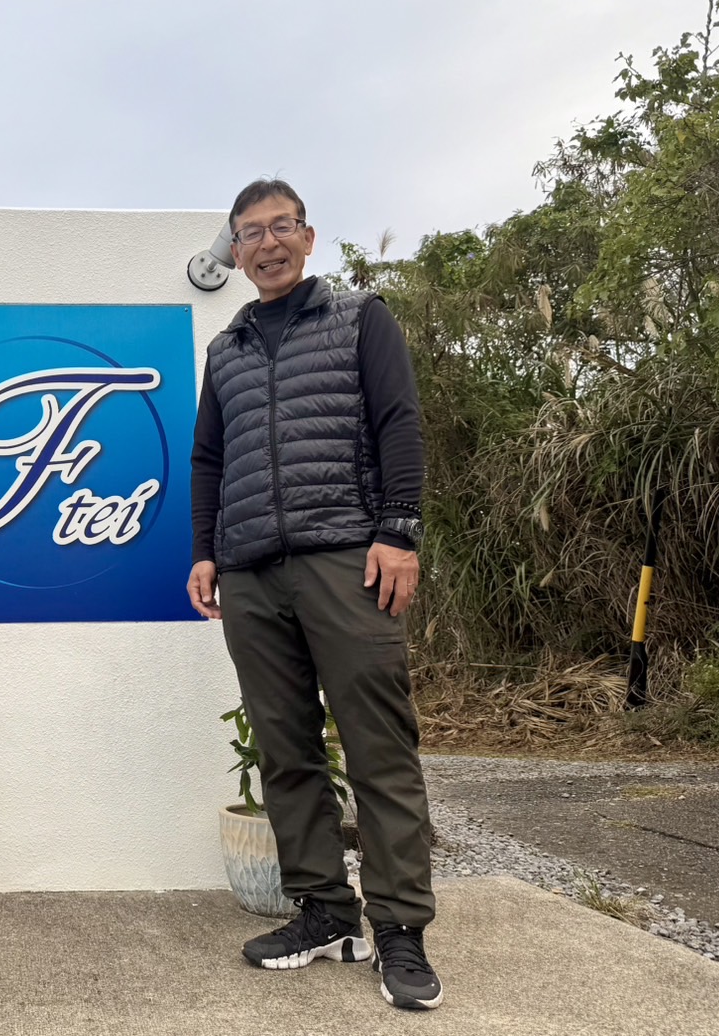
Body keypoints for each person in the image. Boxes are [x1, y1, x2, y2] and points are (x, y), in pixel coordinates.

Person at [188, 180, 441, 1009]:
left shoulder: (358, 318)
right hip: (250, 571)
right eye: (250, 233)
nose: (267, 243)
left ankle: (398, 928)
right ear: (234, 252)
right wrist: (204, 552)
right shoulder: (225, 349)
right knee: (284, 748)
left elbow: (397, 421)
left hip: (346, 560)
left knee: (377, 746)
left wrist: (397, 532)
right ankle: (324, 911)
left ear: (307, 236)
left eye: (281, 227)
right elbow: (208, 460)